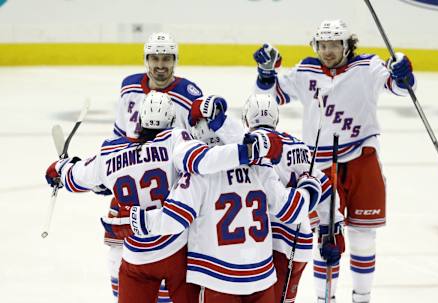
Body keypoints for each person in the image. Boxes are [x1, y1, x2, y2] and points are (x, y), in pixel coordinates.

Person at [45, 92, 282, 303]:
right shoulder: (175, 140)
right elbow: (203, 162)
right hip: (175, 252)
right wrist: (248, 151)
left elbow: (77, 177)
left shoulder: (109, 153)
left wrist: (61, 169)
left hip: (136, 257)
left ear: (139, 121)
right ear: (170, 120)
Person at [252, 20, 417, 303]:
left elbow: (399, 87)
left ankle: (362, 298)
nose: (327, 51)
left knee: (363, 237)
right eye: (322, 45)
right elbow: (273, 95)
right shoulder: (306, 70)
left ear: (346, 45)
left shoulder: (367, 66)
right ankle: (323, 300)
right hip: (321, 166)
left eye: (334, 45)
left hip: (362, 157)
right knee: (326, 239)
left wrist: (404, 73)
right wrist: (266, 73)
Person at [117, 112, 325, 303]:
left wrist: (137, 220)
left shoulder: (198, 175)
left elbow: (172, 221)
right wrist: (309, 186)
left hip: (216, 278)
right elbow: (293, 211)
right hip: (261, 278)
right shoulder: (259, 166)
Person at [108, 32, 204, 302]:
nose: (160, 65)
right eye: (154, 59)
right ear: (146, 60)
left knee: (169, 254)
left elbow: (199, 145)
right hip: (129, 182)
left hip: (171, 192)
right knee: (118, 253)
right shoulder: (129, 88)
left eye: (166, 59)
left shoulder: (189, 95)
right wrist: (110, 173)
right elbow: (118, 134)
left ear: (175, 61)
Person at [242, 93, 344, 303]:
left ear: (245, 119)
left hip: (255, 242)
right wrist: (332, 231)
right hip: (296, 241)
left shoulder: (241, 148)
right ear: (276, 119)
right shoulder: (298, 147)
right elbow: (324, 188)